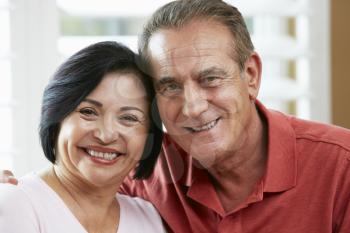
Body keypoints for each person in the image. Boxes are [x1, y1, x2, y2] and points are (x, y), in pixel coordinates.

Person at [2, 0, 350, 232]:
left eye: (210, 78)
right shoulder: (143, 172)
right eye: (169, 86)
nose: (193, 106)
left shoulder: (341, 168)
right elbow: (68, 185)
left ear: (251, 75)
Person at [0, 41, 165, 233]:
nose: (106, 135)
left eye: (129, 118)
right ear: (56, 118)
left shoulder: (149, 218)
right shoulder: (16, 204)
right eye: (88, 111)